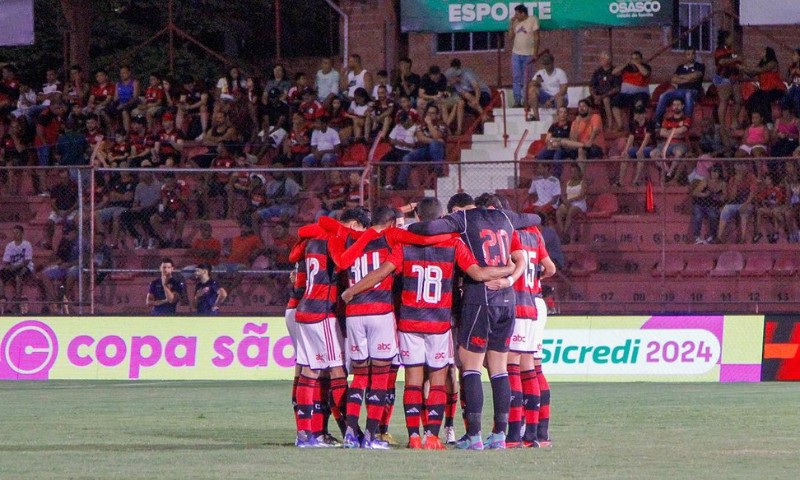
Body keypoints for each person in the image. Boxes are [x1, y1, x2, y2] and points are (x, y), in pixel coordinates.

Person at [340, 197, 514, 449]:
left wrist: (351, 291)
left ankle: (413, 436)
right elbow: (478, 273)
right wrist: (507, 270)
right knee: (438, 379)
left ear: (418, 218)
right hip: (439, 322)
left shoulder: (403, 243)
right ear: (442, 218)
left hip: (410, 320)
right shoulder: (453, 242)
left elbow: (380, 273)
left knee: (412, 380)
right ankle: (432, 435)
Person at [408, 193, 541, 450]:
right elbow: (533, 218)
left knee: (471, 366)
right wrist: (509, 276)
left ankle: (474, 436)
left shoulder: (465, 219)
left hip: (479, 298)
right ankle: (500, 436)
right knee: (499, 369)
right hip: (507, 299)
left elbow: (426, 227)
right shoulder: (505, 218)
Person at [290, 208, 369, 448]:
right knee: (336, 371)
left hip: (303, 309)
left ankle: (305, 435)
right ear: (354, 224)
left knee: (310, 371)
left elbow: (293, 255)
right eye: (360, 229)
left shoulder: (313, 239)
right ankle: (351, 431)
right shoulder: (335, 237)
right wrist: (362, 240)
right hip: (322, 312)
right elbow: (343, 261)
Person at [503, 216, 556, 448]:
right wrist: (535, 278)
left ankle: (515, 434)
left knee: (513, 365)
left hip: (519, 301)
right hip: (537, 302)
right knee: (534, 367)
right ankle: (538, 434)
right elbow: (551, 268)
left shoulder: (508, 233)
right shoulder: (535, 233)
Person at [393, 104, 447, 190]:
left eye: (433, 113)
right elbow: (420, 138)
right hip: (423, 150)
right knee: (407, 157)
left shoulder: (441, 124)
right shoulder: (420, 124)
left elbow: (436, 135)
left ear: (437, 115)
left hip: (437, 151)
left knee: (434, 145)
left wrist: (429, 124)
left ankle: (438, 169)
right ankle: (401, 184)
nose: (430, 115)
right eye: (428, 113)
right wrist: (434, 140)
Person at [654, 49, 705, 125]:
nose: (691, 56)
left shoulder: (700, 66)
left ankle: (686, 121)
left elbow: (695, 76)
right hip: (679, 91)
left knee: (688, 94)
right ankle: (657, 122)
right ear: (685, 56)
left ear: (695, 55)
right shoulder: (680, 67)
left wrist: (680, 77)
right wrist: (689, 79)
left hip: (693, 91)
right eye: (688, 54)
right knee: (663, 95)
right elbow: (674, 79)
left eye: (693, 54)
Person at [713, 30, 744, 150]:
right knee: (724, 100)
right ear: (725, 39)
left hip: (734, 77)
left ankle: (734, 119)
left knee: (739, 99)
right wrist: (735, 60)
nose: (732, 40)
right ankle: (722, 123)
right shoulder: (720, 50)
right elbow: (721, 61)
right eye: (730, 37)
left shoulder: (731, 50)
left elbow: (737, 62)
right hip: (723, 78)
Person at [650, 97, 692, 182]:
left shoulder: (686, 119)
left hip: (681, 143)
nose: (676, 107)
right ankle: (666, 170)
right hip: (667, 144)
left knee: (678, 153)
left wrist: (668, 132)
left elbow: (683, 130)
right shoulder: (667, 119)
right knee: (652, 154)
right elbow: (661, 132)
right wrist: (676, 133)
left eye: (678, 105)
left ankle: (670, 173)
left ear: (682, 106)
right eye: (674, 105)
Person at [744, 47, 786, 124]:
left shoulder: (773, 63)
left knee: (764, 100)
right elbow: (751, 74)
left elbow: (761, 70)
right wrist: (740, 66)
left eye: (763, 50)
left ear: (768, 53)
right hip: (764, 90)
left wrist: (749, 67)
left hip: (777, 89)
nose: (760, 52)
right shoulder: (760, 64)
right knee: (750, 101)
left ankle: (769, 122)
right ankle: (753, 123)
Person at [612, 50, 652, 131]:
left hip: (641, 94)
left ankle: (636, 126)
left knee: (638, 103)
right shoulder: (626, 67)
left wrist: (637, 64)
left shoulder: (646, 67)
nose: (633, 60)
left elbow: (645, 73)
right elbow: (614, 72)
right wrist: (625, 64)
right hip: (626, 94)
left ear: (641, 59)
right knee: (615, 102)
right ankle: (620, 125)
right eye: (632, 59)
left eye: (636, 58)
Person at [619, 101, 656, 187]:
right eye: (636, 114)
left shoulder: (649, 123)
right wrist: (625, 150)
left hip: (650, 147)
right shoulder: (633, 124)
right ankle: (620, 181)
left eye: (639, 114)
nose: (637, 116)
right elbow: (631, 137)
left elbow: (647, 138)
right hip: (638, 147)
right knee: (625, 155)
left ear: (643, 114)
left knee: (640, 154)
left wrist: (640, 150)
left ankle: (636, 180)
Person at [509, 4, 540, 108]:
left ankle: (526, 101)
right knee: (516, 78)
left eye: (517, 14)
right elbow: (510, 37)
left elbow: (536, 37)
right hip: (516, 54)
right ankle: (517, 100)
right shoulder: (516, 22)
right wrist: (511, 23)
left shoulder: (533, 20)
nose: (516, 16)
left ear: (523, 13)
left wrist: (535, 52)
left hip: (529, 54)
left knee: (527, 78)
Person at [526, 53, 568, 122]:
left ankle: (559, 120)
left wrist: (551, 100)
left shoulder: (560, 73)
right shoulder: (541, 73)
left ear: (552, 63)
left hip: (558, 96)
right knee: (532, 90)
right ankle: (536, 117)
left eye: (547, 64)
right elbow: (531, 84)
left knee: (560, 99)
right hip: (545, 96)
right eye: (544, 64)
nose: (546, 66)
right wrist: (536, 82)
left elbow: (563, 90)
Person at [690, 164, 726, 244]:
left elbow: (724, 197)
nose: (714, 173)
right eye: (712, 171)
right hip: (700, 204)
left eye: (716, 171)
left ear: (720, 173)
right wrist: (704, 194)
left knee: (713, 215)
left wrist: (718, 197)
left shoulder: (722, 183)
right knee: (698, 215)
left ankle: (712, 236)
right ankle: (697, 237)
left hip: (712, 205)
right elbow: (695, 193)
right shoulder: (706, 180)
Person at [534, 106, 572, 177]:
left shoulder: (571, 125)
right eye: (561, 112)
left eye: (565, 112)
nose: (563, 114)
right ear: (558, 114)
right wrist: (553, 141)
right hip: (553, 147)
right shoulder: (553, 126)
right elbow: (547, 139)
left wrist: (557, 141)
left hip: (564, 148)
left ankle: (556, 177)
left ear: (567, 114)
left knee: (557, 156)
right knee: (540, 155)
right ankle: (543, 175)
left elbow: (571, 139)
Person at [1, 225, 34, 305]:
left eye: (17, 233)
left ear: (22, 234)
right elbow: (6, 261)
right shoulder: (9, 245)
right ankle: (2, 298)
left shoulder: (27, 244)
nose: (15, 235)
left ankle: (17, 300)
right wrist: (8, 267)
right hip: (13, 267)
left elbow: (27, 261)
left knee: (19, 276)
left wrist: (15, 267)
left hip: (25, 267)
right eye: (14, 233)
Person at [555, 163, 587, 243]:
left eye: (575, 171)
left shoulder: (582, 183)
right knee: (559, 212)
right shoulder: (567, 183)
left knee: (571, 212)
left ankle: (564, 234)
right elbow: (563, 195)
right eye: (572, 172)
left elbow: (582, 195)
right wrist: (565, 201)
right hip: (568, 202)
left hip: (579, 203)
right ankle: (563, 232)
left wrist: (571, 200)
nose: (574, 174)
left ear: (579, 172)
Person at [589, 51, 621, 131]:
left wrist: (603, 96)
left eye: (603, 58)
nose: (600, 60)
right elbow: (591, 86)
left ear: (609, 60)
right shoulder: (597, 72)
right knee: (584, 102)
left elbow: (617, 88)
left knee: (606, 100)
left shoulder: (615, 71)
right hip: (597, 95)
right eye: (600, 58)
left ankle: (609, 124)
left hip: (610, 95)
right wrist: (594, 96)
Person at [784, 49, 800, 117]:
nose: (792, 57)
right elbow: (789, 83)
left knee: (796, 99)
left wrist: (797, 71)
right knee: (783, 101)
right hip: (794, 88)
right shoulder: (791, 67)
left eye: (794, 55)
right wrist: (791, 74)